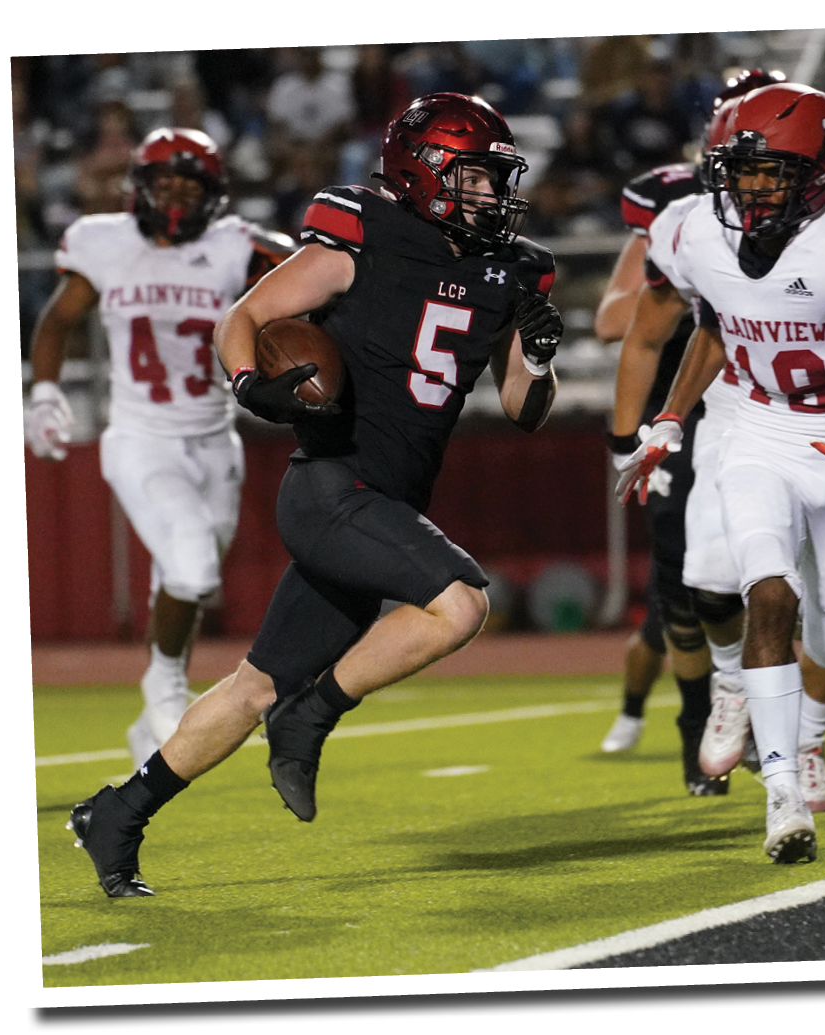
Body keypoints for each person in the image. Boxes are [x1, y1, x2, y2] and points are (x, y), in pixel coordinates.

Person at [67, 93, 561, 898]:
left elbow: (522, 410)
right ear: (425, 172)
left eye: (495, 180)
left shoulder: (513, 270)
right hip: (332, 484)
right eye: (474, 177)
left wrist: (536, 359)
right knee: (462, 603)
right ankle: (314, 714)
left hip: (382, 500)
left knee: (253, 683)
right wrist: (249, 383)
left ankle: (117, 814)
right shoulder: (366, 231)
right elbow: (247, 313)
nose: (491, 195)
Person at [618, 83, 825, 863]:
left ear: (823, 170)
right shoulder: (700, 229)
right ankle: (783, 799)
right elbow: (713, 328)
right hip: (759, 433)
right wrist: (669, 418)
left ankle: (811, 739)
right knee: (766, 592)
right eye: (741, 170)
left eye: (771, 172)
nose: (751, 187)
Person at [26, 127, 295, 770]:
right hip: (141, 437)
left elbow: (302, 288)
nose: (175, 193)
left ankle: (151, 724)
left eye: (190, 181)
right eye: (164, 180)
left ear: (214, 193)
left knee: (186, 576)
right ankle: (165, 692)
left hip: (214, 439)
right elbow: (60, 320)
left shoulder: (237, 248)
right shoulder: (104, 242)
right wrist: (42, 392)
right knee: (194, 566)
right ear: (139, 188)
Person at [596, 70, 784, 795]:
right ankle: (693, 727)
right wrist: (626, 438)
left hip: (789, 413)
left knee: (797, 583)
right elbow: (626, 325)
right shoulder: (682, 215)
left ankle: (794, 737)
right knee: (682, 589)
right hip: (695, 408)